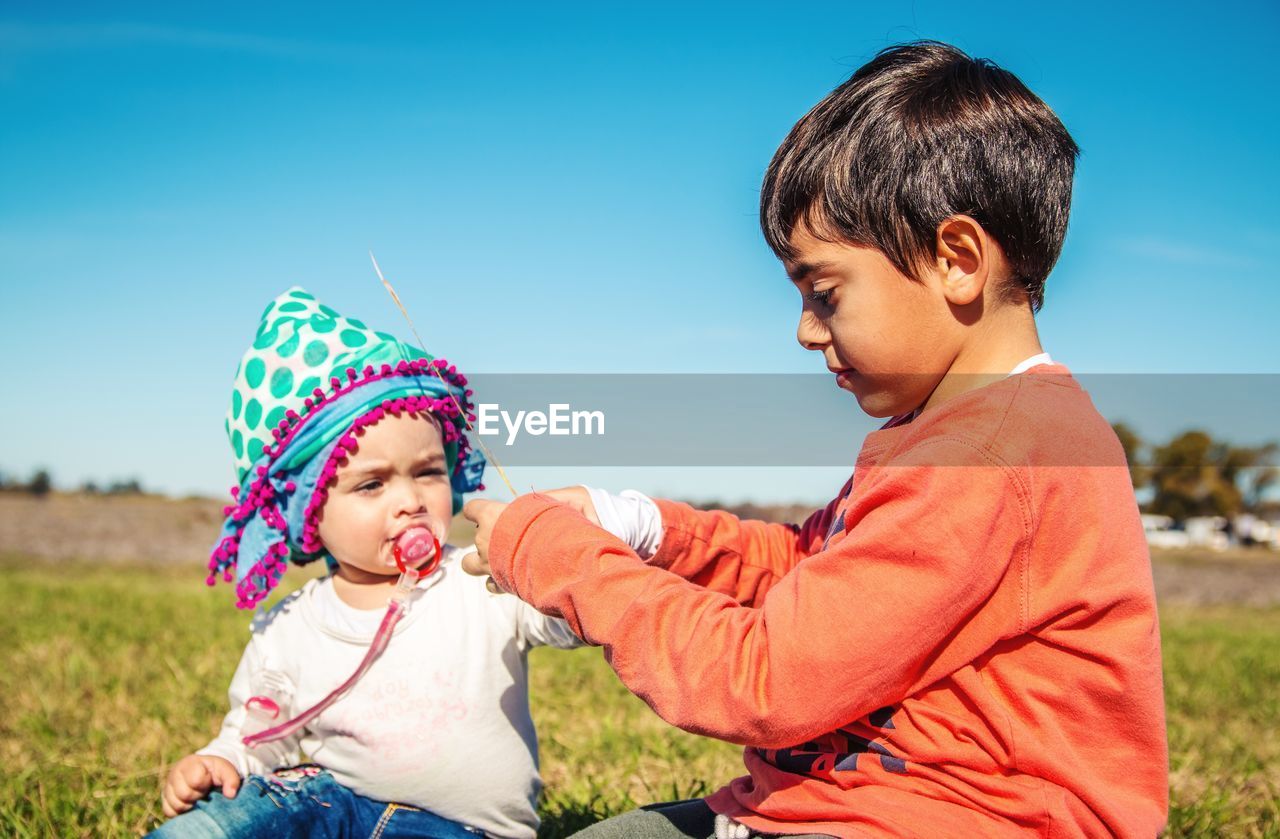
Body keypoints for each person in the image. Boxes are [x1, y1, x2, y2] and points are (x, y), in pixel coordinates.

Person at [461, 42, 1168, 837]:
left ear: (956, 259)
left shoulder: (994, 454)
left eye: (824, 293)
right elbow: (811, 573)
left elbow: (762, 679)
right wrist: (649, 528)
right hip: (834, 812)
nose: (804, 330)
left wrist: (557, 556)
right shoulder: (957, 433)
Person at [149, 288, 581, 839]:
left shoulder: (480, 578)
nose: (411, 500)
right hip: (337, 806)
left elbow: (568, 612)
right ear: (309, 516)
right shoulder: (292, 626)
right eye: (373, 484)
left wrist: (557, 560)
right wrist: (225, 760)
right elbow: (262, 729)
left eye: (428, 471)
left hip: (463, 830)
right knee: (257, 811)